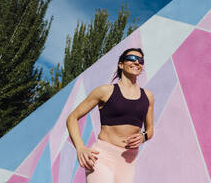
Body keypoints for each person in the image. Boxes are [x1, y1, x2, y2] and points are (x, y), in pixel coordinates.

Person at [66, 48, 154, 183]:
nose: (136, 62)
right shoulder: (104, 91)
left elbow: (150, 130)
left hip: (128, 161)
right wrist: (80, 147)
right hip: (102, 157)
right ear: (120, 64)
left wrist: (143, 136)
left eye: (140, 60)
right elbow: (72, 117)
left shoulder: (148, 96)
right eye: (131, 58)